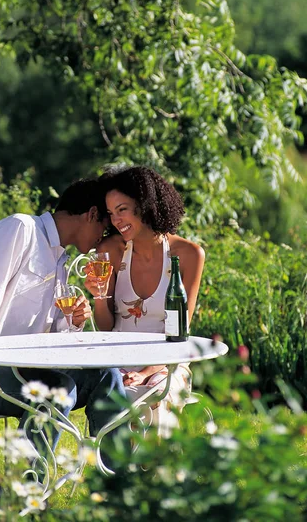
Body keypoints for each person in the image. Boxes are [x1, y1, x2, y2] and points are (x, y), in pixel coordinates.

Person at [0, 177, 126, 471]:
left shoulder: (60, 260)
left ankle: (118, 489)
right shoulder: (19, 229)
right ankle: (20, 498)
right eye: (104, 227)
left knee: (107, 375)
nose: (102, 238)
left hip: (29, 370)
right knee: (59, 389)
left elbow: (53, 338)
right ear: (91, 214)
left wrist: (74, 321)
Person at [84, 166, 205, 436]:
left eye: (122, 209)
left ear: (145, 204)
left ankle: (156, 475)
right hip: (118, 359)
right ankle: (115, 473)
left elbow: (179, 334)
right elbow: (105, 329)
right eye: (111, 212)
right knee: (115, 395)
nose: (116, 220)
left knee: (156, 398)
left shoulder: (189, 255)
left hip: (167, 361)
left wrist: (147, 371)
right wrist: (99, 298)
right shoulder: (110, 252)